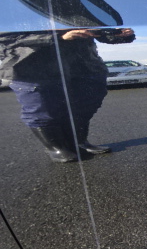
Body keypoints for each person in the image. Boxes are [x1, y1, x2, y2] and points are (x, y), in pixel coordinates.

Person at [0, 27, 134, 162]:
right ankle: (56, 148)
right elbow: (5, 37)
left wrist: (116, 34)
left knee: (86, 104)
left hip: (82, 64)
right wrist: (57, 37)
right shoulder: (14, 14)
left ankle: (79, 142)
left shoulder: (71, 13)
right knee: (42, 109)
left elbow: (95, 30)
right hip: (32, 66)